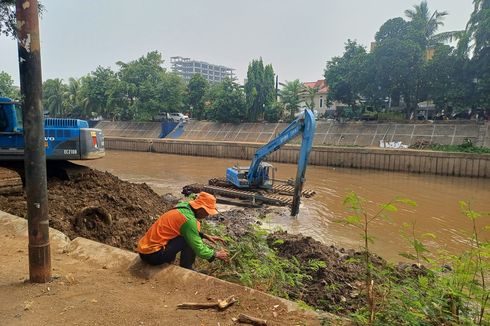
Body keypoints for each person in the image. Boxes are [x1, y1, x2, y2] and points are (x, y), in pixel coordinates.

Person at [137, 192, 229, 269]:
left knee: (188, 236)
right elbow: (199, 249)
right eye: (207, 212)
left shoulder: (184, 207)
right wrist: (216, 254)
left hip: (143, 252)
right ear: (201, 209)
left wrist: (204, 235)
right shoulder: (189, 220)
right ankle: (187, 268)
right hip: (153, 256)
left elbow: (183, 229)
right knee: (187, 240)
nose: (207, 215)